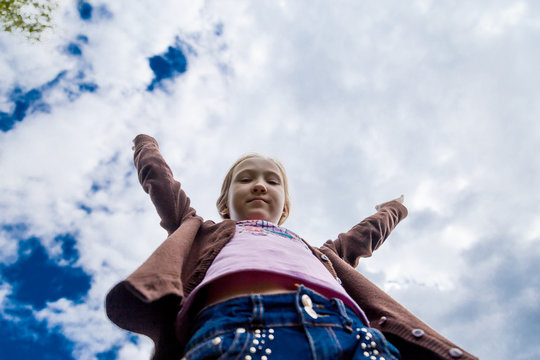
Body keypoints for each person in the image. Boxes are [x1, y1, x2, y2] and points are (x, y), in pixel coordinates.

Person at [106, 134, 478, 360]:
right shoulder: (201, 229)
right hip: (236, 327)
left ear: (284, 208)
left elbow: (366, 235)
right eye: (245, 179)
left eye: (272, 181)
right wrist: (145, 145)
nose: (259, 185)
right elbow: (161, 182)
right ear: (224, 204)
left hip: (349, 333)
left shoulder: (322, 254)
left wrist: (393, 209)